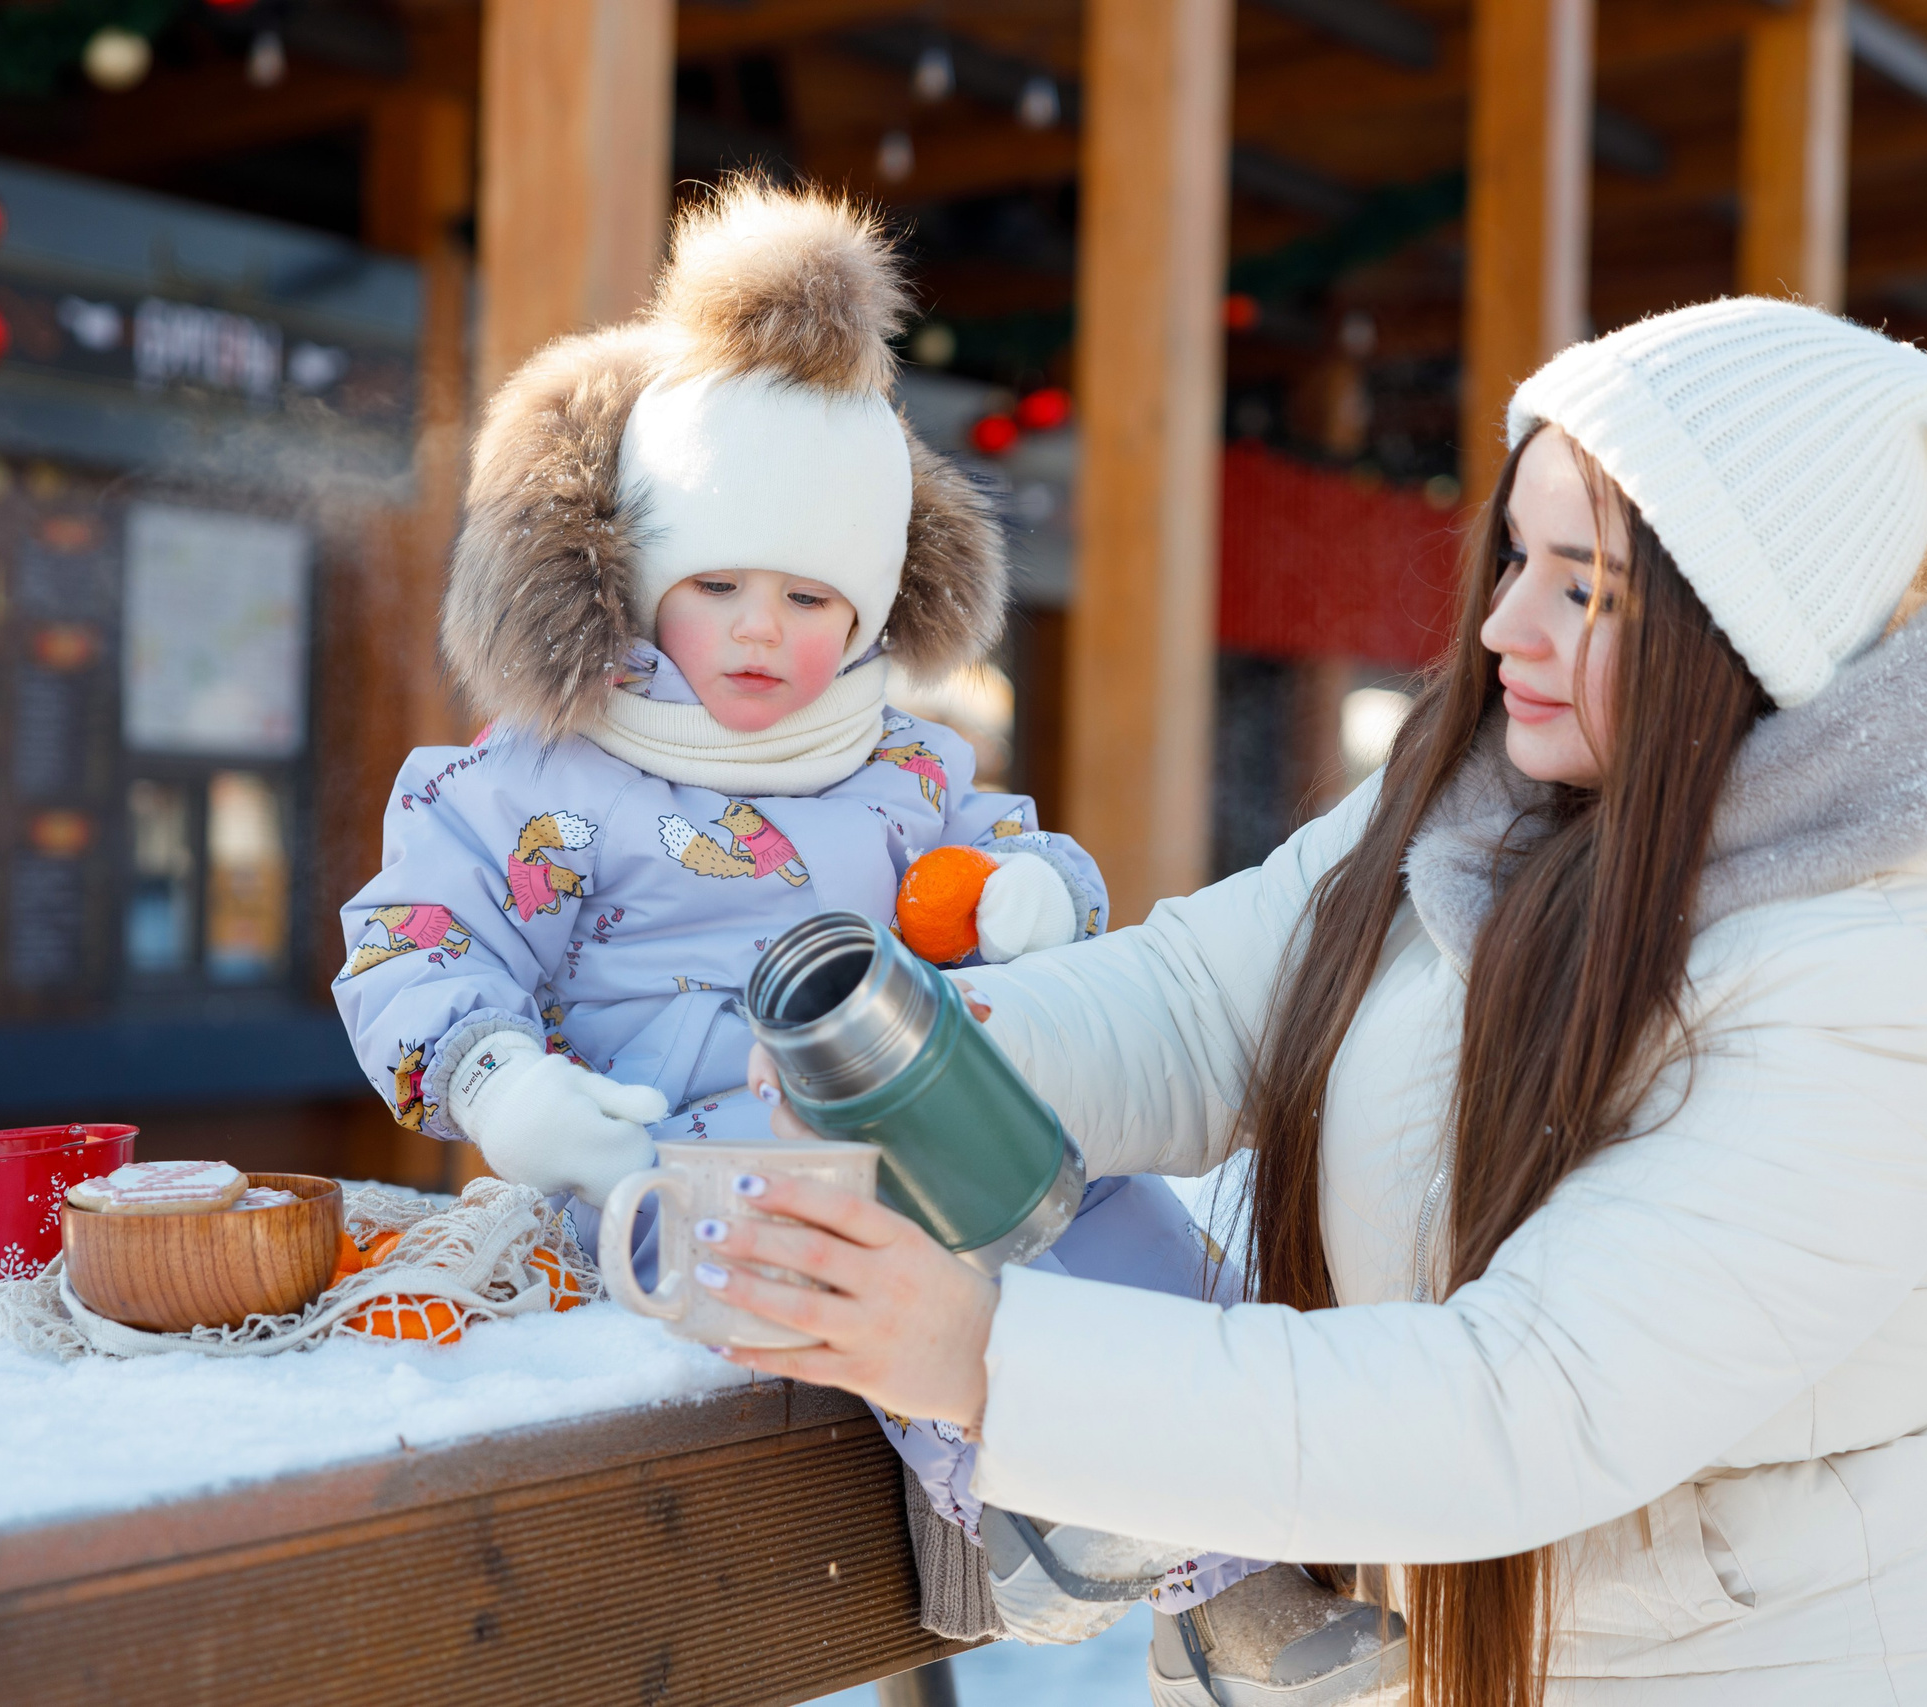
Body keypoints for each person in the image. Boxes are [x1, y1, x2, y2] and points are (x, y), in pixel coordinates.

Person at [697, 297, 1927, 1705]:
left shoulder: (1885, 985)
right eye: (1517, 556)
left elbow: (1522, 1403)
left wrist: (980, 1356)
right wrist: (918, 1067)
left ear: (1746, 639)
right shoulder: (1492, 798)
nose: (1505, 624)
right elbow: (1206, 1005)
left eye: (1587, 586)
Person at [330, 178, 1278, 1650]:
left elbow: (998, 860)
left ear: (874, 608)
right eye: (717, 585)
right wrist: (495, 1081)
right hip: (662, 1172)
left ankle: (1243, 1510)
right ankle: (1048, 1507)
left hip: (898, 1114)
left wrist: (1022, 899)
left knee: (1084, 1182)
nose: (763, 629)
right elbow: (421, 939)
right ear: (640, 578)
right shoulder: (536, 774)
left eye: (811, 596)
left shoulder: (896, 765)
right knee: (885, 1215)